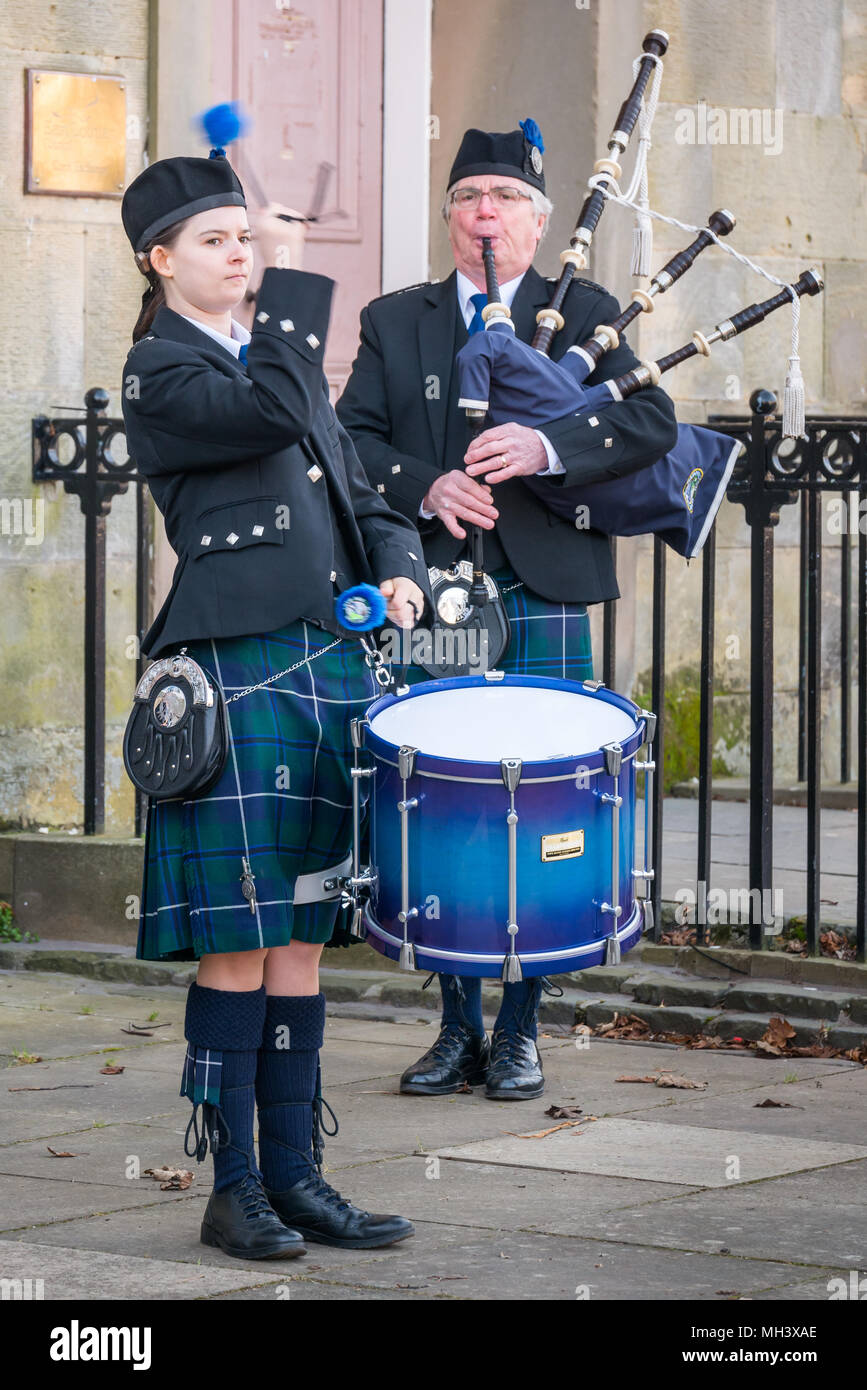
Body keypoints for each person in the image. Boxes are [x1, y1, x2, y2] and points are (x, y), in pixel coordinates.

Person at [120, 148, 429, 1259]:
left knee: (300, 932)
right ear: (160, 261)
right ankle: (232, 1182)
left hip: (324, 665)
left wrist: (397, 560)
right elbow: (274, 407)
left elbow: (357, 483)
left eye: (245, 236)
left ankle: (298, 1174)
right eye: (216, 239)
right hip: (234, 667)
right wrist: (297, 281)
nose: (240, 251)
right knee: (240, 940)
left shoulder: (272, 358)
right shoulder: (160, 372)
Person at [337, 122, 678, 1102]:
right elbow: (352, 439)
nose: (485, 213)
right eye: (468, 197)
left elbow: (648, 421)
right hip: (443, 587)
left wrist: (547, 448)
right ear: (450, 218)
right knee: (447, 806)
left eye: (504, 198)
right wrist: (429, 485)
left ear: (534, 220)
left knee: (541, 806)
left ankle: (521, 1031)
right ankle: (454, 1027)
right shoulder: (399, 321)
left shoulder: (586, 313)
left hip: (547, 582)